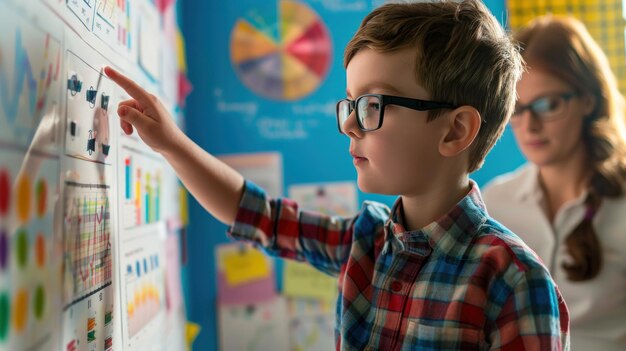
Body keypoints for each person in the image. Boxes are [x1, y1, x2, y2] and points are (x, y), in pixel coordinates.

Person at [106, 1, 569, 349]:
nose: (349, 123)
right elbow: (261, 217)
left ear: (455, 130)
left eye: (373, 105)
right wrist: (171, 143)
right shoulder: (366, 242)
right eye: (350, 103)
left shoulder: (514, 281)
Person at [483, 15, 626, 351]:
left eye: (548, 104)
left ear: (588, 99)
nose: (530, 125)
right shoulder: (495, 201)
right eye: (517, 108)